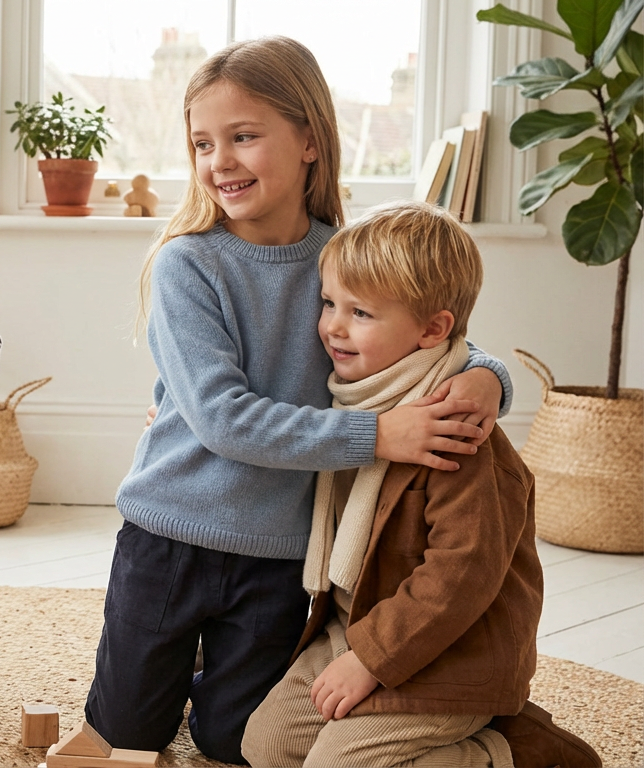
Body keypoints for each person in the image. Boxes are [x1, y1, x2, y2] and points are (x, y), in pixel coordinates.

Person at [84, 37, 516, 764]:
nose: (219, 159)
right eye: (201, 143)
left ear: (310, 139)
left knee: (233, 742)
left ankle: (212, 685)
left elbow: (431, 331)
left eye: (243, 136)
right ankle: (180, 680)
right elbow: (222, 418)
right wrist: (378, 436)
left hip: (284, 555)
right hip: (170, 534)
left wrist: (489, 376)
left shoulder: (344, 256)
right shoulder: (188, 263)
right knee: (127, 732)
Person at [240, 200, 600, 768]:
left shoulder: (457, 434)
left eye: (361, 313)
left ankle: (506, 753)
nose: (333, 325)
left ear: (433, 330)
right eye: (330, 302)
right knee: (267, 746)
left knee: (340, 764)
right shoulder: (353, 397)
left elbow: (460, 578)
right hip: (357, 626)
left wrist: (369, 662)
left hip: (453, 652)